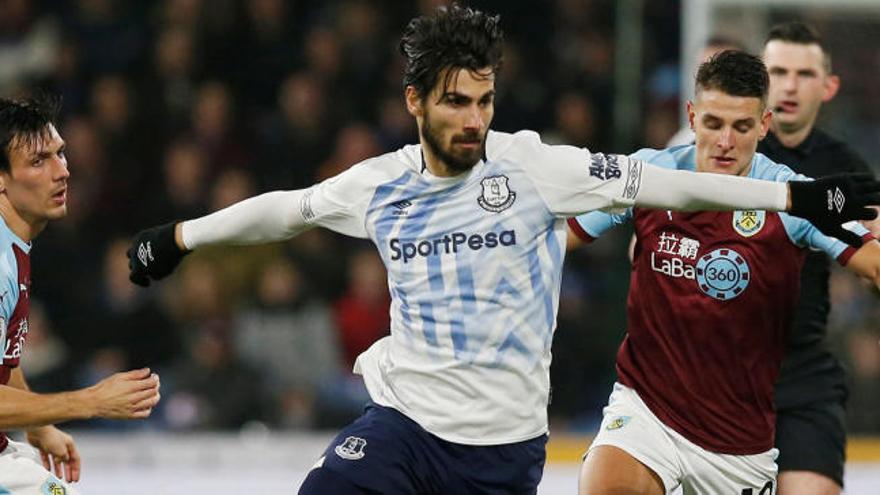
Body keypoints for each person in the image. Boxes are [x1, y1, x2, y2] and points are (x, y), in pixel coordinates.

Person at [127, 7, 879, 494]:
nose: (475, 120)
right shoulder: (378, 185)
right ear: (415, 101)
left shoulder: (535, 168)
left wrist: (800, 198)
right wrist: (181, 236)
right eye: (457, 101)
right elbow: (284, 212)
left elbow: (672, 184)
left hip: (503, 449)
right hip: (406, 420)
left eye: (485, 102)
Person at [570, 50, 880, 495]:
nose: (725, 142)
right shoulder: (648, 175)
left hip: (738, 447)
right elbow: (561, 239)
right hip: (646, 414)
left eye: (742, 127)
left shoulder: (796, 200)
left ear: (765, 125)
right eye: (713, 123)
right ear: (692, 117)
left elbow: (873, 263)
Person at [0, 94, 161, 494]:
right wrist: (90, 401)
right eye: (39, 161)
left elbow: (5, 355)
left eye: (60, 153)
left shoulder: (14, 245)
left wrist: (37, 424)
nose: (62, 171)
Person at [760, 21, 878, 495]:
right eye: (778, 71)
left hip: (804, 369)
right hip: (719, 370)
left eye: (804, 74)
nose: (789, 86)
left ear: (828, 86)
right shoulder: (726, 153)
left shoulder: (847, 167)